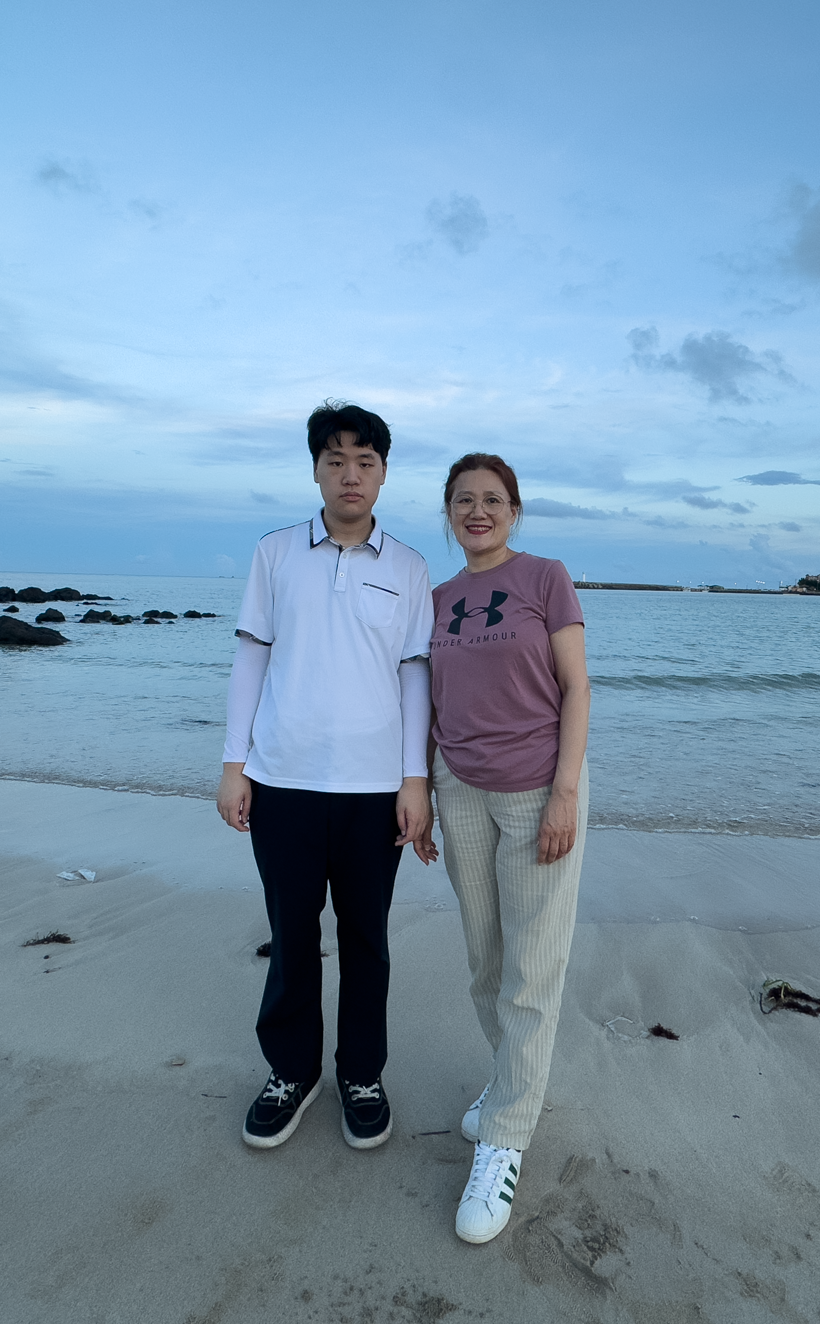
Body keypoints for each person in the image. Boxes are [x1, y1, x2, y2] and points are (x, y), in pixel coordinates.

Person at [217, 401, 434, 1152]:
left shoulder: (408, 567)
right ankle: (292, 1071)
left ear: (383, 473)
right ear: (315, 469)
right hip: (283, 780)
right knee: (291, 933)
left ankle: (361, 1074)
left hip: (375, 789)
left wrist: (415, 780)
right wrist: (234, 765)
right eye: (335, 460)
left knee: (367, 938)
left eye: (365, 462)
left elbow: (414, 675)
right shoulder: (276, 553)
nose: (350, 475)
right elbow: (251, 656)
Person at [424, 453, 590, 1244]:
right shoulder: (437, 599)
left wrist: (565, 794)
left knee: (532, 969)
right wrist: (418, 790)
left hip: (535, 794)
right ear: (449, 513)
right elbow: (428, 700)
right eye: (464, 500)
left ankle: (504, 1140)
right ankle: (511, 1085)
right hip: (458, 789)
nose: (478, 511)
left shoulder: (544, 578)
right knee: (486, 961)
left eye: (493, 499)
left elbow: (577, 688)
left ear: (514, 511)